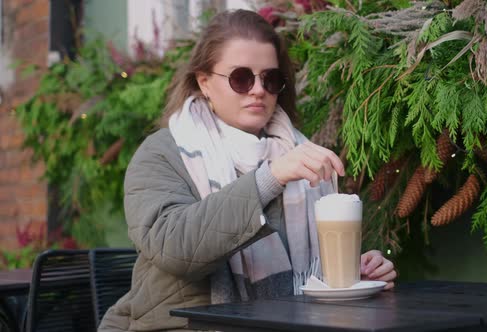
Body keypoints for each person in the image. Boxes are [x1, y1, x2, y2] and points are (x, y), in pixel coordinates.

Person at [99, 9, 397, 332]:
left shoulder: (297, 152)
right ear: (205, 82)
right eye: (241, 78)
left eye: (270, 79)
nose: (258, 90)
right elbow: (175, 247)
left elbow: (310, 269)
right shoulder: (163, 153)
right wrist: (270, 178)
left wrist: (355, 273)